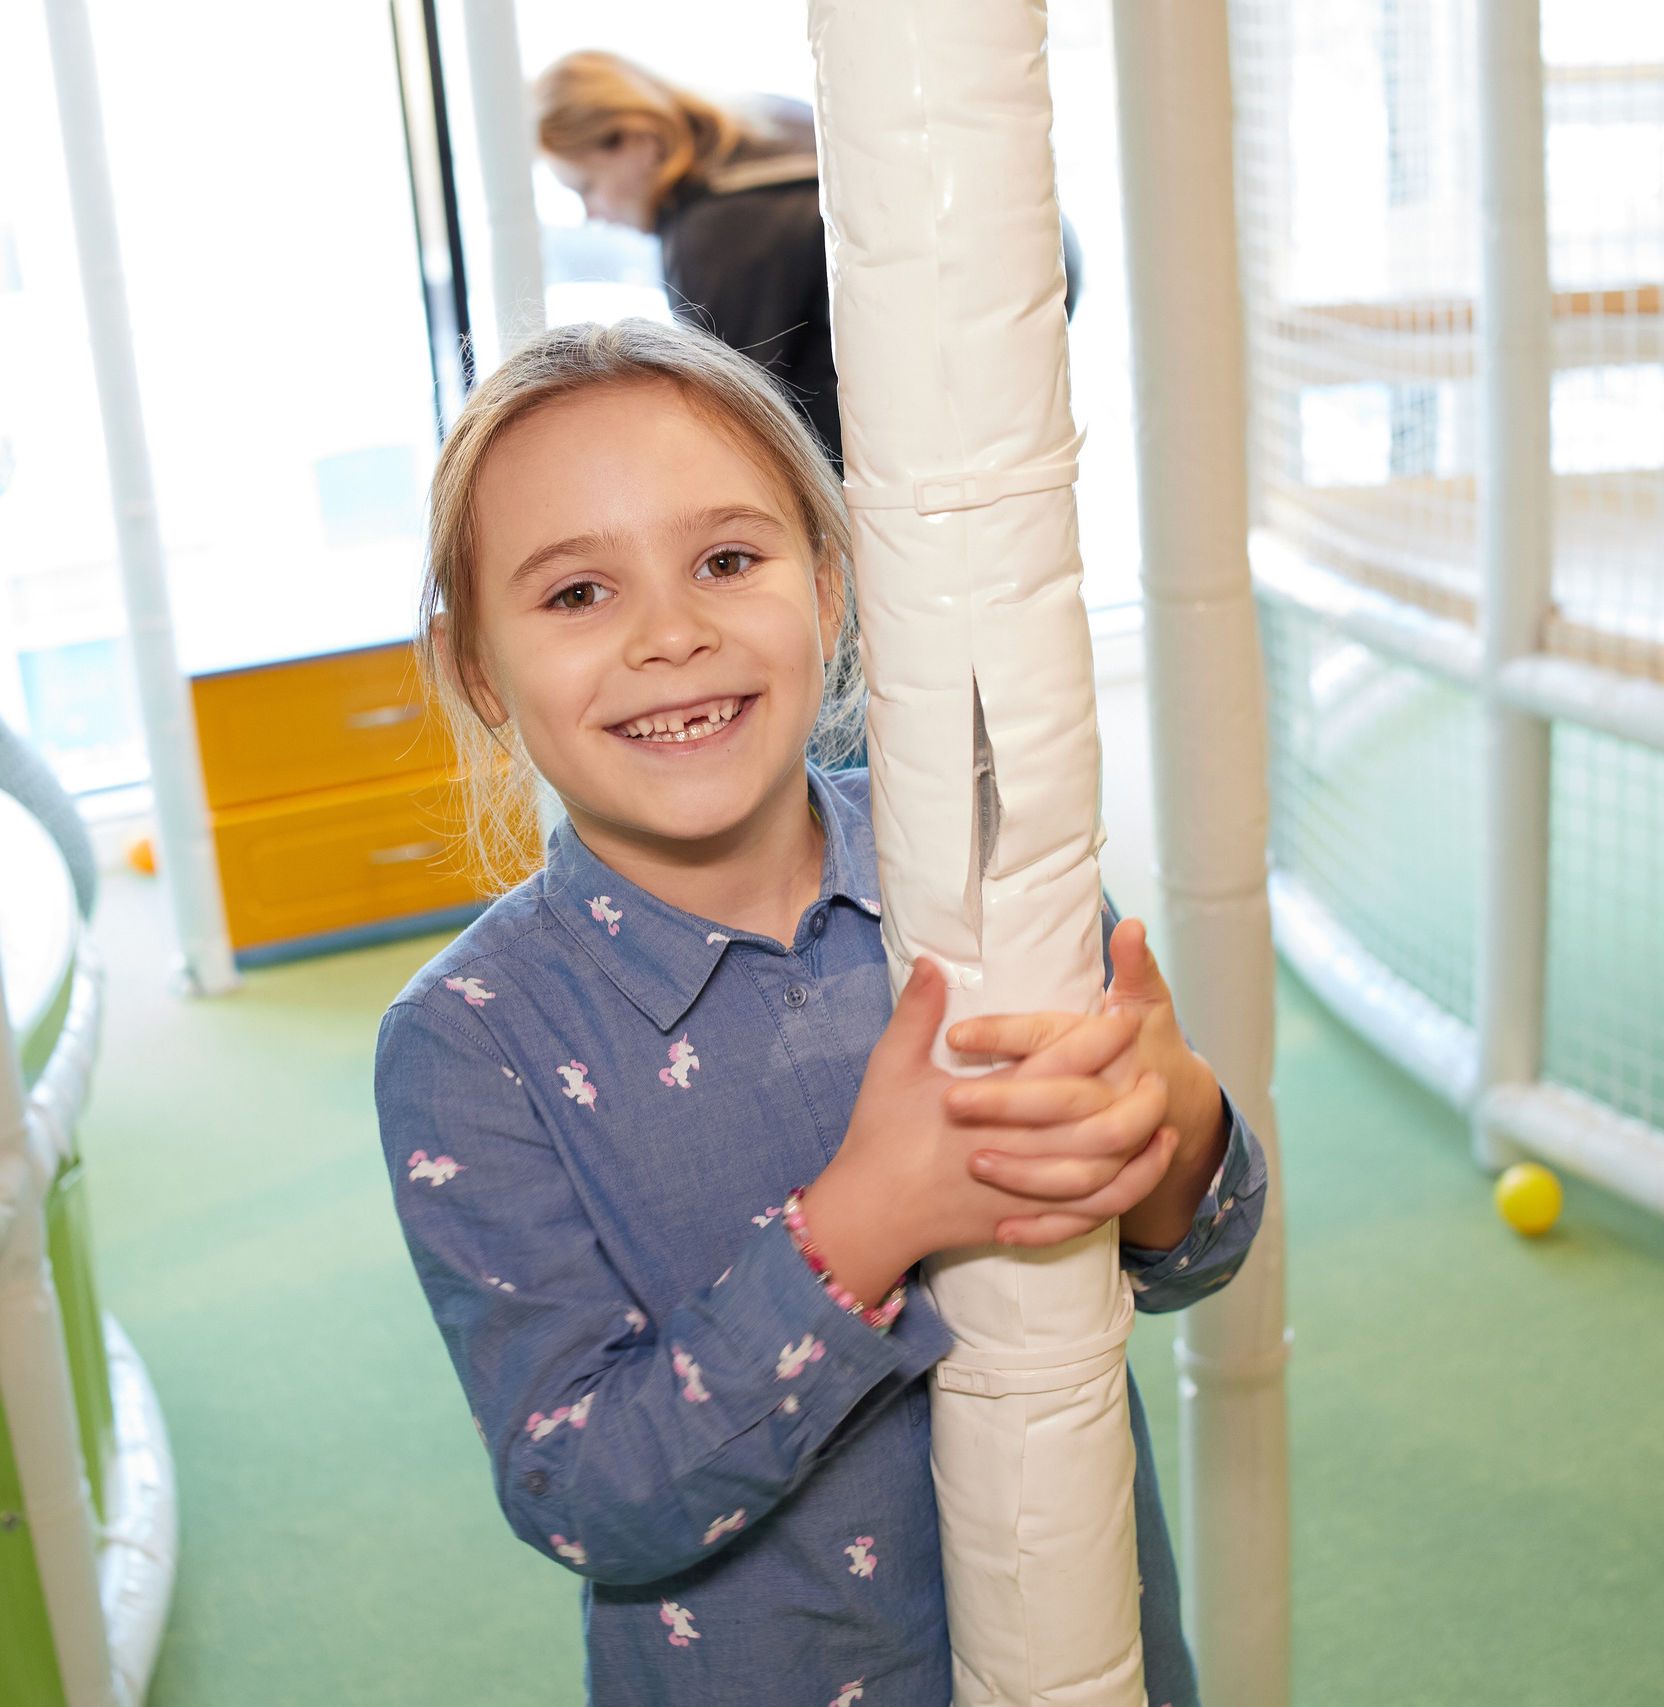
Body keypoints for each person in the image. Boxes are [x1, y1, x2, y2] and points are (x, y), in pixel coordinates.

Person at [373, 319, 1263, 1705]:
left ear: (832, 588)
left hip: (1096, 1643)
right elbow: (583, 1488)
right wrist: (862, 1224)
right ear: (476, 668)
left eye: (727, 560)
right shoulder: (470, 1040)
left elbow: (1188, 1253)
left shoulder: (979, 871)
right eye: (576, 594)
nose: (673, 633)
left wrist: (1178, 1125)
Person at [536, 51, 1081, 469]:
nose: (591, 214)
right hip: (1032, 280)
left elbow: (741, 418)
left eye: (587, 186)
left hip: (950, 376)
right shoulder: (764, 125)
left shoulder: (713, 229)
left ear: (635, 139)